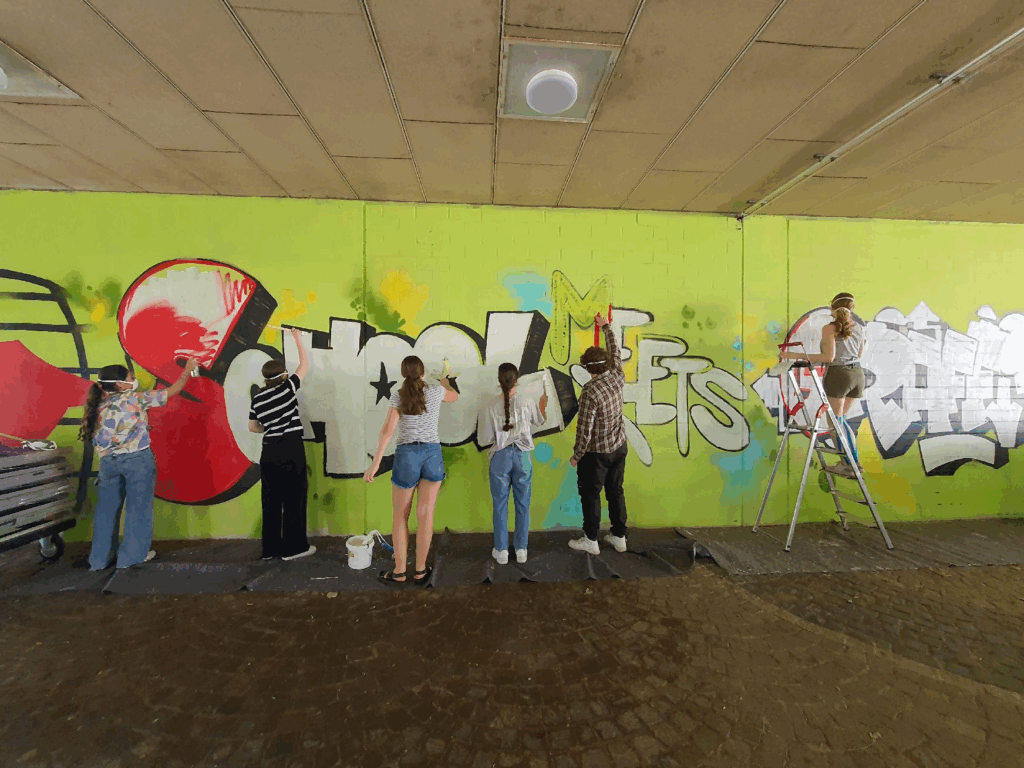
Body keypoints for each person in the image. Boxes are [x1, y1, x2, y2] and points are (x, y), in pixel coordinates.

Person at [80, 358, 199, 570]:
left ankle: (99, 560)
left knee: (106, 512)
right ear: (120, 384)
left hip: (108, 464)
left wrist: (139, 429)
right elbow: (173, 390)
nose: (133, 379)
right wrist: (187, 370)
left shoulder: (98, 404)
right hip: (137, 462)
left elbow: (110, 432)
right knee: (138, 510)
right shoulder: (136, 399)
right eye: (130, 377)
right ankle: (131, 557)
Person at [364, 356, 458, 586]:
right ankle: (420, 571)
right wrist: (445, 382)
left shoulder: (398, 395)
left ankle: (399, 571)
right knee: (425, 515)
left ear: (403, 373)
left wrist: (375, 464)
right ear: (423, 373)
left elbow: (387, 431)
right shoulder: (436, 392)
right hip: (432, 455)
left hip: (406, 456)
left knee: (400, 517)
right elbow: (454, 396)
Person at [779, 292, 865, 477]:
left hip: (839, 375)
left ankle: (850, 464)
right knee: (841, 420)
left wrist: (792, 355)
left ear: (832, 307)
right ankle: (853, 463)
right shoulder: (859, 327)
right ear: (851, 308)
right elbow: (858, 355)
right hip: (857, 375)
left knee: (835, 422)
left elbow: (828, 357)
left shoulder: (829, 328)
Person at [248, 328, 315, 561]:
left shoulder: (257, 398)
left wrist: (270, 428)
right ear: (284, 375)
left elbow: (253, 427)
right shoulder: (287, 389)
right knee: (295, 497)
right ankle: (294, 548)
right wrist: (297, 338)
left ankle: (270, 549)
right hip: (291, 448)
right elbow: (305, 364)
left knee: (271, 500)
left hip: (269, 451)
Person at [569, 313, 628, 555]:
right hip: (619, 447)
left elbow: (585, 430)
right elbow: (615, 352)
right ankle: (619, 537)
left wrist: (577, 455)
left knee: (591, 494)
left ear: (589, 369)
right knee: (616, 491)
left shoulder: (590, 392)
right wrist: (606, 327)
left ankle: (591, 540)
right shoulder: (617, 374)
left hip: (596, 454)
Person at [478, 363, 548, 565]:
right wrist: (543, 404)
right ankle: (521, 549)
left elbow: (484, 439)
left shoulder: (490, 406)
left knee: (499, 504)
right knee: (523, 504)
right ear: (517, 380)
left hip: (500, 458)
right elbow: (540, 421)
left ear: (499, 381)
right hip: (523, 457)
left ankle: (501, 551)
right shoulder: (527, 401)